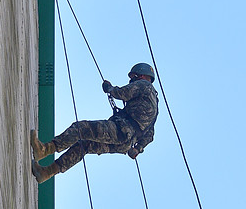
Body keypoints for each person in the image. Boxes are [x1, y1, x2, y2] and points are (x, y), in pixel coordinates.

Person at [30, 63, 159, 184]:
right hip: (125, 144)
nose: (132, 80)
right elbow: (150, 135)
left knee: (81, 128)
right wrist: (137, 148)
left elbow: (123, 93)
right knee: (84, 145)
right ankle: (46, 173)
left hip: (121, 130)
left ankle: (44, 150)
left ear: (141, 75)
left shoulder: (144, 85)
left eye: (134, 76)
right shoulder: (155, 104)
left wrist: (110, 88)